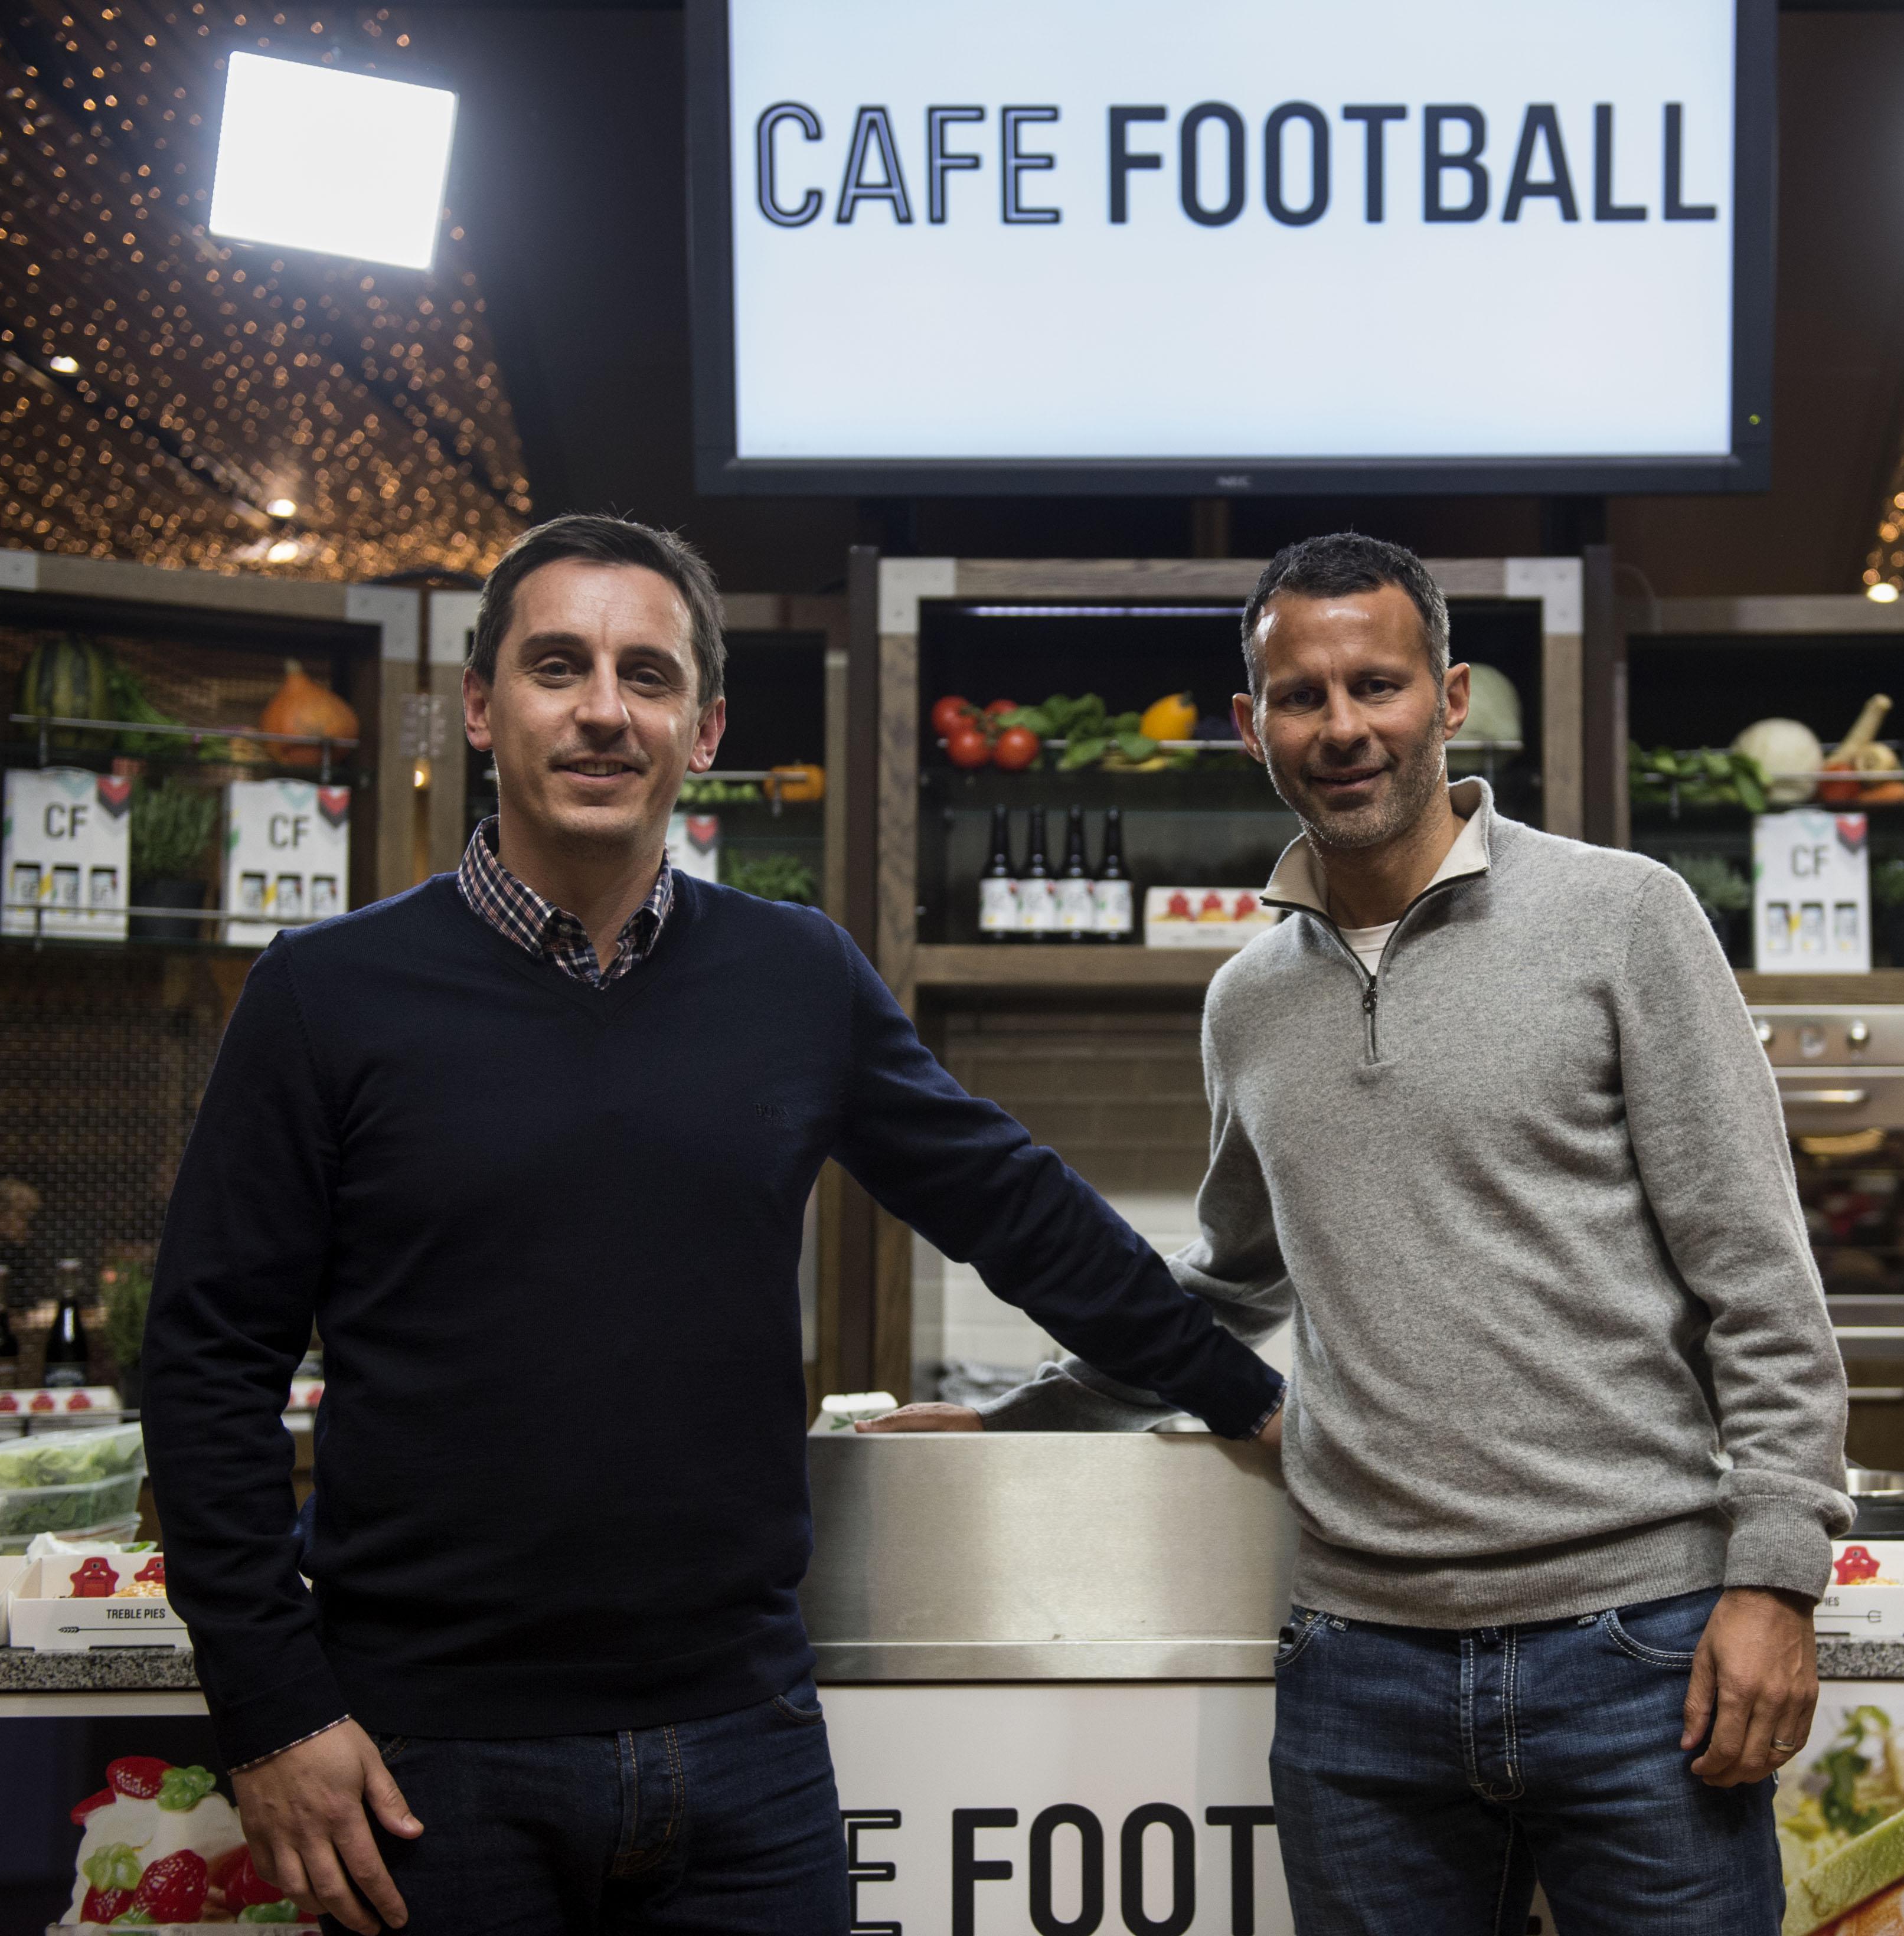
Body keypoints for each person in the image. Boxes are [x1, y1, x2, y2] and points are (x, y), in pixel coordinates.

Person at [141, 514, 1286, 1935]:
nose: (605, 709)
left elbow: (1013, 1205)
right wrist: (270, 1709)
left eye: (648, 674)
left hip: (743, 1751)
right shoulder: (327, 993)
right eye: (559, 666)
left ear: (706, 724)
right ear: (485, 705)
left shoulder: (793, 973)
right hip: (433, 1769)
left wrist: (1249, 1394)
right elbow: (204, 1363)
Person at [870, 534, 1852, 1934]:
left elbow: (1761, 1278)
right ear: (1250, 724)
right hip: (1360, 1673)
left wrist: (1774, 1574)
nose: (1342, 728)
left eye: (1376, 684)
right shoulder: (1249, 1001)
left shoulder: (1625, 918)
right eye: (1300, 695)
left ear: (1450, 698)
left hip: (1636, 1645)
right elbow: (1225, 1292)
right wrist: (1021, 1421)